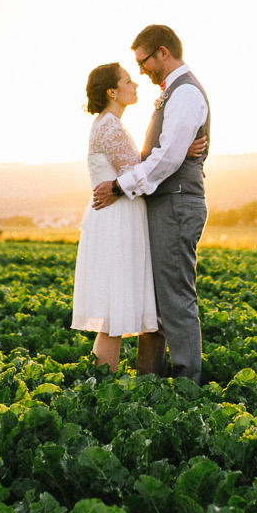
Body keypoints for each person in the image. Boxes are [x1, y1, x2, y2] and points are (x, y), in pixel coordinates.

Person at [91, 24, 210, 382]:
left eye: (143, 61)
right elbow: (164, 153)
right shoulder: (172, 94)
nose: (142, 71)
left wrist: (118, 186)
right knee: (157, 302)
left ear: (163, 52)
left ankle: (187, 382)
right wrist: (174, 149)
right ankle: (150, 380)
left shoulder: (186, 94)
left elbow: (167, 160)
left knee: (174, 300)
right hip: (163, 204)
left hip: (175, 204)